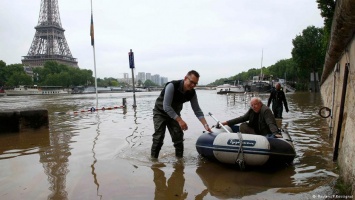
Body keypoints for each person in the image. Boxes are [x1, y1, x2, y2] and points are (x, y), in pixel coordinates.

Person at [151, 70, 211, 159]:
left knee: (178, 138)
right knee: (158, 138)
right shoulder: (172, 86)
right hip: (160, 112)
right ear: (185, 78)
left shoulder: (192, 93)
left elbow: (197, 110)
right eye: (191, 82)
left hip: (174, 114)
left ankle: (179, 163)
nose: (193, 85)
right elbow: (166, 106)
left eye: (195, 83)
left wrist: (205, 125)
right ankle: (153, 160)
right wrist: (180, 120)